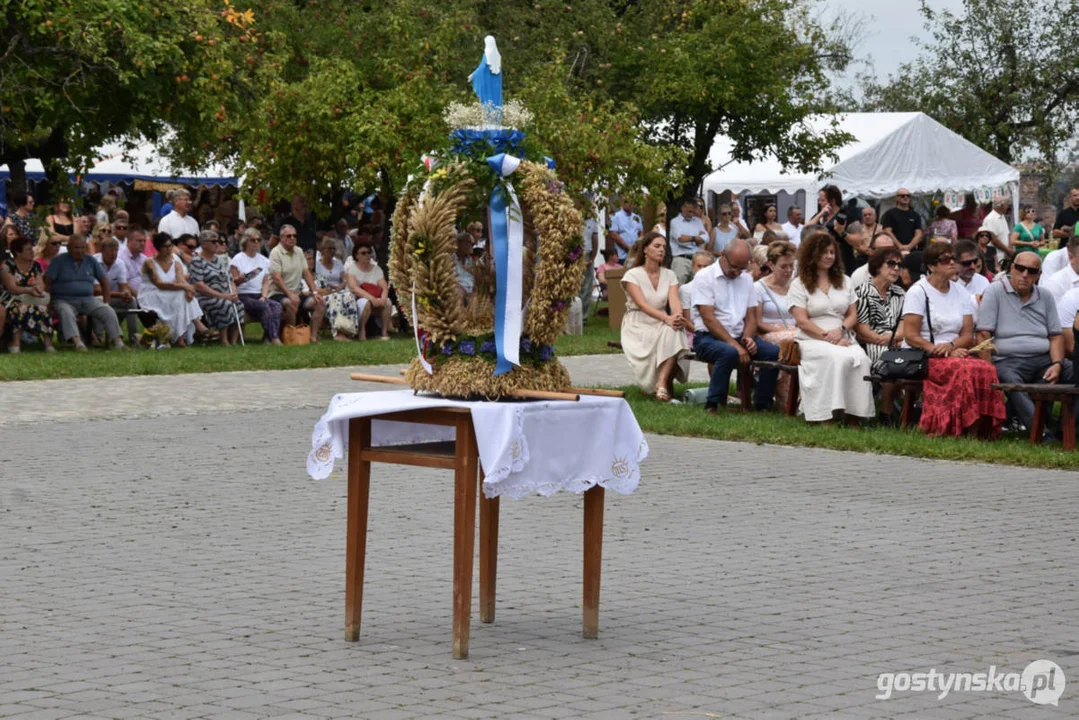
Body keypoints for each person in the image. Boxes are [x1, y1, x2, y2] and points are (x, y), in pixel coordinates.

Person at [901, 242, 1004, 437]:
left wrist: (950, 347)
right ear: (931, 266)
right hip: (924, 354)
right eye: (944, 260)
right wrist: (938, 349)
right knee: (964, 370)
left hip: (952, 351)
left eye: (953, 259)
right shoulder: (918, 291)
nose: (951, 263)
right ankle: (958, 427)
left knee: (986, 369)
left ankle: (980, 430)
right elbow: (911, 335)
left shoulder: (961, 292)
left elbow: (967, 335)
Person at [976, 251, 1070, 438]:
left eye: (1032, 271)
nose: (1025, 275)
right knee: (1010, 379)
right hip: (1008, 359)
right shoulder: (995, 291)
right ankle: (1041, 432)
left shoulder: (1045, 296)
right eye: (1020, 268)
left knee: (1075, 370)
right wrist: (988, 368)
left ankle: (1068, 429)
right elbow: (983, 334)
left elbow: (1056, 336)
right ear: (1012, 268)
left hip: (1044, 358)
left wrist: (1057, 364)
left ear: (1038, 275)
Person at [787, 232, 874, 423]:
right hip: (811, 338)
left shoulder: (845, 281)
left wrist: (840, 331)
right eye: (823, 253)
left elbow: (853, 314)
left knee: (861, 359)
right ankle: (826, 414)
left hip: (842, 333)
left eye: (832, 252)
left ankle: (854, 414)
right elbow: (802, 321)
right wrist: (828, 336)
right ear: (811, 255)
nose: (829, 257)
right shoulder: (799, 284)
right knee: (836, 358)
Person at [693, 239, 781, 414]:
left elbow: (751, 316)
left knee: (772, 352)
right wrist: (735, 345)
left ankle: (763, 403)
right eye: (734, 266)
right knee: (728, 352)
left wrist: (747, 338)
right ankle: (713, 404)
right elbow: (709, 319)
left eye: (741, 268)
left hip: (739, 334)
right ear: (723, 256)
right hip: (708, 336)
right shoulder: (704, 277)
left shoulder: (746, 280)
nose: (736, 272)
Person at [620, 231, 690, 401]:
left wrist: (677, 316)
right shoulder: (632, 275)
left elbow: (674, 302)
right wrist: (667, 319)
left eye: (664, 247)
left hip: (662, 321)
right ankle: (659, 384)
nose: (661, 250)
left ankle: (662, 384)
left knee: (673, 331)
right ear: (645, 249)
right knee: (669, 330)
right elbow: (642, 305)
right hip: (637, 322)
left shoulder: (669, 274)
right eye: (657, 246)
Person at [44, 233, 126, 351]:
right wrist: (48, 303)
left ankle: (119, 342)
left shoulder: (90, 260)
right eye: (76, 247)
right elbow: (47, 282)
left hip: (87, 299)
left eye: (82, 247)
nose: (80, 251)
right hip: (63, 299)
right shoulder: (59, 261)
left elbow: (104, 282)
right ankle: (78, 342)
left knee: (107, 310)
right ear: (68, 248)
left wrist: (106, 302)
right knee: (66, 311)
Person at [854, 248, 906, 423]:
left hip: (897, 343)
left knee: (913, 361)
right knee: (892, 362)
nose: (897, 268)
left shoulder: (901, 293)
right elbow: (862, 332)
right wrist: (887, 340)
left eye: (899, 264)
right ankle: (886, 414)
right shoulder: (862, 293)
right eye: (891, 264)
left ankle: (912, 413)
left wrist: (895, 339)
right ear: (877, 267)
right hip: (870, 345)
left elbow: (905, 327)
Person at [138, 232, 203, 347]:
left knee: (182, 296)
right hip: (151, 294)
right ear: (158, 248)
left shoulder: (176, 263)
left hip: (169, 293)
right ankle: (194, 327)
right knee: (180, 295)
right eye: (165, 246)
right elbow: (159, 283)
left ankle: (182, 337)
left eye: (170, 246)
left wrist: (188, 289)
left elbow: (181, 280)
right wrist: (185, 287)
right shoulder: (149, 262)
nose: (169, 249)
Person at [755, 241, 797, 407]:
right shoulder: (758, 288)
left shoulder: (796, 285)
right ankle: (786, 399)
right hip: (767, 333)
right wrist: (780, 329)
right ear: (771, 265)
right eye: (783, 266)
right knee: (791, 342)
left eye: (791, 266)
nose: (788, 271)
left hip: (794, 332)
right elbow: (757, 323)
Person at [270, 224, 325, 342]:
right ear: (282, 238)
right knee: (291, 303)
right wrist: (290, 294)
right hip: (277, 293)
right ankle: (291, 337)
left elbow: (306, 273)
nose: (292, 238)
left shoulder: (299, 251)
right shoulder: (275, 253)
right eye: (288, 236)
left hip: (296, 292)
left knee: (320, 303)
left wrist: (315, 292)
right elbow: (277, 279)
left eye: (294, 236)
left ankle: (313, 337)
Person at [0, 235, 55, 353]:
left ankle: (48, 344)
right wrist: (29, 290)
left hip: (31, 297)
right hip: (11, 298)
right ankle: (15, 344)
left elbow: (41, 284)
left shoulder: (35, 266)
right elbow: (12, 288)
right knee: (22, 308)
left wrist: (38, 289)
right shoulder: (8, 266)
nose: (32, 251)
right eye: (28, 249)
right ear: (18, 252)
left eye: (32, 248)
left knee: (43, 309)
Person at [189, 231, 244, 346]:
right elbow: (199, 285)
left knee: (238, 304)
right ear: (204, 244)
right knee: (224, 303)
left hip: (225, 294)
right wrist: (222, 296)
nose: (217, 244)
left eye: (218, 241)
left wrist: (234, 293)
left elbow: (230, 280)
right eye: (214, 242)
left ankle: (234, 340)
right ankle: (224, 340)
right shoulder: (197, 260)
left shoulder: (221, 260)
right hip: (205, 297)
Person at [229, 228, 283, 345]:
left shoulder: (263, 260)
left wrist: (264, 296)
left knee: (277, 306)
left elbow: (265, 281)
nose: (256, 243)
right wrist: (240, 279)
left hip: (259, 294)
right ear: (246, 241)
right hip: (243, 294)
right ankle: (274, 337)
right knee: (263, 306)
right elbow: (232, 282)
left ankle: (268, 338)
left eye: (259, 240)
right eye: (253, 240)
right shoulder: (237, 259)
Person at [93, 236, 139, 345]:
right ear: (102, 251)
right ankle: (98, 338)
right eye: (110, 251)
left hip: (113, 297)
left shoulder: (120, 263)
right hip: (96, 297)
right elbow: (97, 290)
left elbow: (123, 286)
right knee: (99, 300)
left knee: (132, 300)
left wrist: (126, 293)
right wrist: (120, 294)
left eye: (115, 251)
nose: (113, 254)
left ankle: (134, 337)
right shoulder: (94, 262)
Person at [314, 237, 361, 340]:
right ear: (323, 250)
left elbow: (344, 280)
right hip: (324, 292)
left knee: (349, 296)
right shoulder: (317, 265)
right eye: (329, 248)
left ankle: (351, 330)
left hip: (339, 291)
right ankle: (338, 332)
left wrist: (339, 288)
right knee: (336, 299)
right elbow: (316, 284)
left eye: (333, 249)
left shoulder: (338, 262)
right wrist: (330, 290)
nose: (332, 251)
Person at [811, 185, 863, 272]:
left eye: (822, 200)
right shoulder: (820, 215)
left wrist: (842, 232)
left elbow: (858, 241)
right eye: (819, 200)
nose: (819, 202)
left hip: (842, 263)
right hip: (821, 263)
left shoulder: (848, 216)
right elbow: (806, 229)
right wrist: (820, 214)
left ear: (832, 201)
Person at [346, 242, 391, 340]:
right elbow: (354, 288)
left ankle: (384, 332)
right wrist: (371, 298)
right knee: (366, 303)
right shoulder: (352, 269)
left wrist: (383, 298)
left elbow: (384, 285)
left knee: (388, 302)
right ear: (356, 255)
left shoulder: (376, 268)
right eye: (363, 253)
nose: (367, 255)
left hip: (375, 297)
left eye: (369, 252)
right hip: (358, 299)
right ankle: (362, 331)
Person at [678, 251, 714, 349]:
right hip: (696, 333)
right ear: (693, 267)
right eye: (699, 266)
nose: (702, 270)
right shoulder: (685, 289)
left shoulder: (717, 288)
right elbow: (687, 321)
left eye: (705, 267)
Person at [669, 199, 709, 284]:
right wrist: (696, 238)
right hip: (681, 259)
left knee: (697, 286)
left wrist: (689, 238)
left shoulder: (698, 221)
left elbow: (706, 238)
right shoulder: (675, 222)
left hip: (696, 259)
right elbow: (680, 239)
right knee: (679, 286)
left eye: (693, 211)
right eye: (689, 210)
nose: (691, 213)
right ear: (683, 207)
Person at [881, 189, 924, 254]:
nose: (906, 197)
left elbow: (918, 233)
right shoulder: (890, 214)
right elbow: (887, 231)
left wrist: (909, 247)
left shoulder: (915, 215)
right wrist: (899, 246)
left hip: (911, 251)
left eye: (908, 195)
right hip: (894, 250)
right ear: (896, 198)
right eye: (903, 196)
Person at [609, 197, 643, 264]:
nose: (628, 204)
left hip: (635, 255)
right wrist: (627, 248)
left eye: (631, 202)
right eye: (626, 202)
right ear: (622, 203)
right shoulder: (616, 216)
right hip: (622, 255)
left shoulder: (637, 217)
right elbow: (614, 234)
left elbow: (641, 233)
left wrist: (638, 246)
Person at [982, 197, 1012, 261]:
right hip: (996, 256)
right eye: (1006, 204)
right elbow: (993, 239)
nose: (1007, 207)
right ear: (1002, 206)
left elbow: (1007, 234)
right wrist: (1008, 250)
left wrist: (1009, 249)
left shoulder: (1002, 216)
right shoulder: (991, 219)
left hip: (1004, 254)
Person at [454, 231, 475, 302]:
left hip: (471, 292)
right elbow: (450, 280)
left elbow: (478, 279)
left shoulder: (472, 262)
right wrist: (466, 294)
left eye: (471, 243)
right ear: (458, 243)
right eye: (466, 242)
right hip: (458, 292)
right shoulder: (450, 260)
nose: (469, 245)